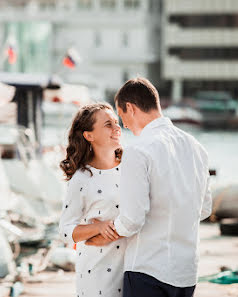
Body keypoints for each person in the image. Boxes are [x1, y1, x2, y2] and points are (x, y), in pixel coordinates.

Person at [86, 77, 212, 297]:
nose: (123, 124)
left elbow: (132, 220)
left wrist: (102, 231)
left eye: (121, 115)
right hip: (186, 273)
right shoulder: (197, 148)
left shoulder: (138, 151)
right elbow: (204, 209)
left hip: (148, 270)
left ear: (130, 108)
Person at [59, 102, 127, 297]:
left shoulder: (132, 166)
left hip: (135, 268)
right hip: (97, 274)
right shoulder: (82, 178)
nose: (117, 128)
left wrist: (118, 231)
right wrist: (98, 228)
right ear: (89, 135)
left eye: (116, 122)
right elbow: (65, 231)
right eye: (108, 124)